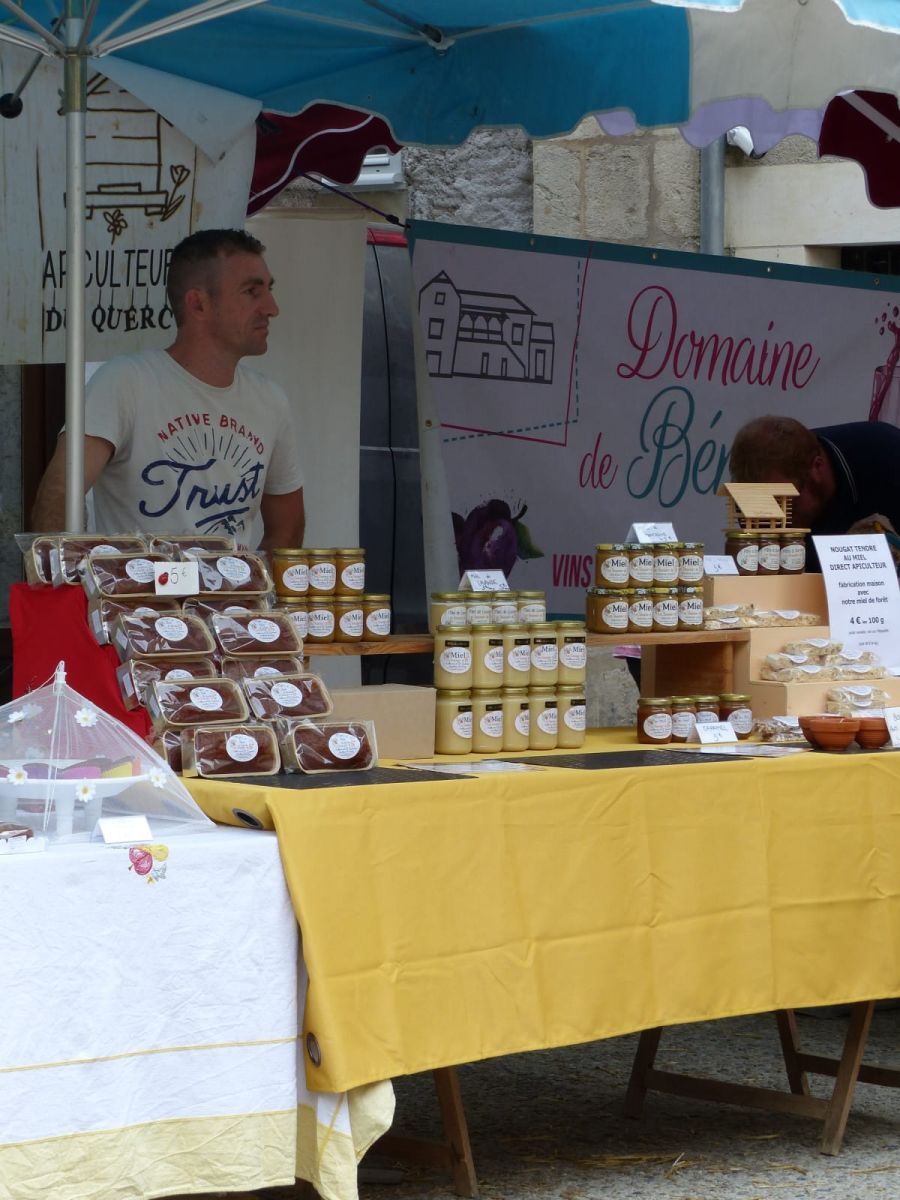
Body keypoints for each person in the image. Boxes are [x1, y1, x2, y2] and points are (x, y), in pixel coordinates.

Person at [31, 228, 305, 550]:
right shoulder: (126, 381)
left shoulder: (270, 400)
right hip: (136, 584)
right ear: (198, 304)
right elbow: (58, 494)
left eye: (268, 290)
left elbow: (288, 528)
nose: (271, 308)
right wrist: (71, 574)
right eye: (251, 292)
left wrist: (251, 581)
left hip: (232, 584)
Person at [728, 415, 900, 568]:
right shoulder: (755, 498)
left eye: (785, 504)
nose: (775, 525)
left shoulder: (888, 457)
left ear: (817, 468)